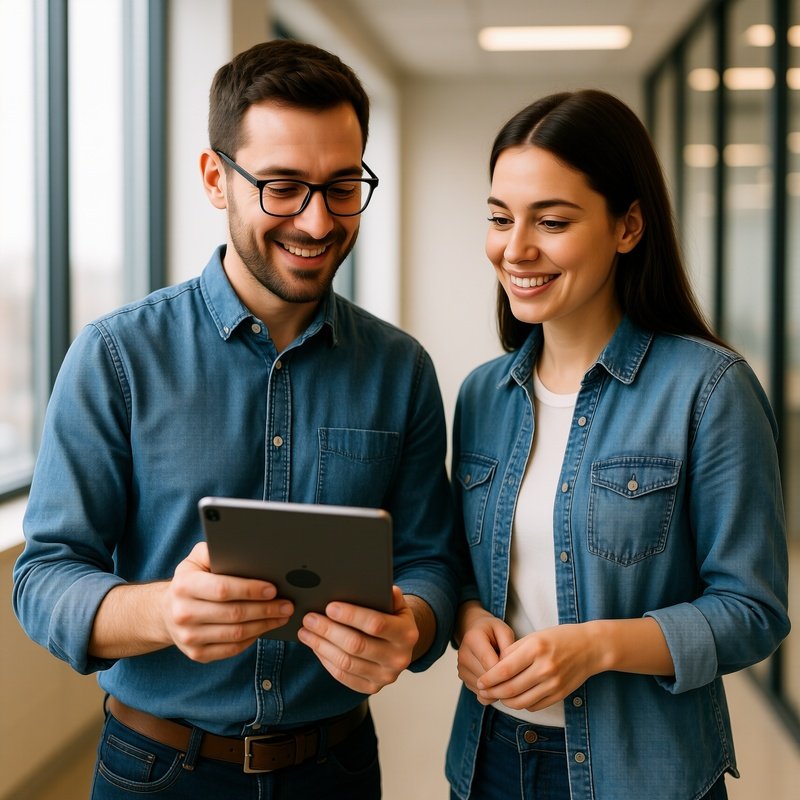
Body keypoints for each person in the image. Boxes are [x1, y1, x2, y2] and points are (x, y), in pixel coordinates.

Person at [13, 39, 459, 799]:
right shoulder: (116, 357)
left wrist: (411, 627)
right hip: (155, 772)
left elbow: (431, 562)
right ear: (216, 178)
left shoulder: (401, 368)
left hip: (339, 769)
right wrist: (161, 611)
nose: (318, 222)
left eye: (342, 185)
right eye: (283, 187)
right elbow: (45, 577)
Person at [445, 89, 790, 800]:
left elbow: (752, 611)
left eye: (553, 221)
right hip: (489, 763)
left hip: (643, 772)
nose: (517, 249)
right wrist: (468, 618)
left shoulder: (708, 389)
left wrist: (598, 647)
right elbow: (467, 570)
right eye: (501, 218)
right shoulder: (484, 395)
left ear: (628, 226)